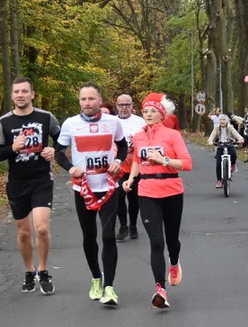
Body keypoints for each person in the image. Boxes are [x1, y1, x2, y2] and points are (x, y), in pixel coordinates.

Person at [56, 83, 128, 305]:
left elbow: (123, 146)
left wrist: (118, 161)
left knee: (108, 236)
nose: (86, 103)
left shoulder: (112, 122)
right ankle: (96, 278)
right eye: (83, 99)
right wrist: (70, 168)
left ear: (99, 100)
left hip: (108, 187)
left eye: (91, 99)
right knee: (89, 237)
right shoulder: (70, 124)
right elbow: (59, 152)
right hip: (83, 189)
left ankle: (109, 287)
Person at [122, 93, 193, 309]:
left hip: (171, 189)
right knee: (156, 242)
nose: (149, 114)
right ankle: (160, 289)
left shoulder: (172, 135)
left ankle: (174, 262)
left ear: (162, 115)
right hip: (147, 192)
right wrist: (131, 179)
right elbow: (136, 160)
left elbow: (187, 163)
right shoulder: (138, 137)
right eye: (145, 111)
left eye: (153, 111)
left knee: (172, 240)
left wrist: (165, 160)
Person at [0, 76, 61, 294]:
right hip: (17, 183)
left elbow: (63, 138)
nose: (20, 95)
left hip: (41, 180)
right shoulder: (4, 122)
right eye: (16, 92)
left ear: (32, 94)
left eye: (24, 91)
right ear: (12, 96)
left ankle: (44, 270)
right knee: (23, 232)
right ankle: (29, 271)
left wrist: (54, 150)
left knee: (41, 228)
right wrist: (13, 148)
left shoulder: (45, 117)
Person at [115, 94, 145, 241]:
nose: (124, 108)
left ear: (132, 106)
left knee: (134, 199)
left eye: (127, 104)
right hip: (117, 167)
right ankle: (123, 226)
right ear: (117, 106)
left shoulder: (140, 122)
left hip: (136, 165)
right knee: (118, 196)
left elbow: (147, 141)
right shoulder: (111, 121)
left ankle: (133, 225)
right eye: (121, 105)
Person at [208, 114, 244, 189]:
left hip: (229, 144)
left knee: (233, 154)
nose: (222, 121)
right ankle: (219, 181)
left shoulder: (230, 127)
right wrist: (210, 141)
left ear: (227, 121)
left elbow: (236, 134)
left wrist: (240, 139)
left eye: (224, 119)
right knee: (218, 163)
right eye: (220, 120)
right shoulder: (217, 128)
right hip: (220, 145)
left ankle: (233, 165)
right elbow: (213, 135)